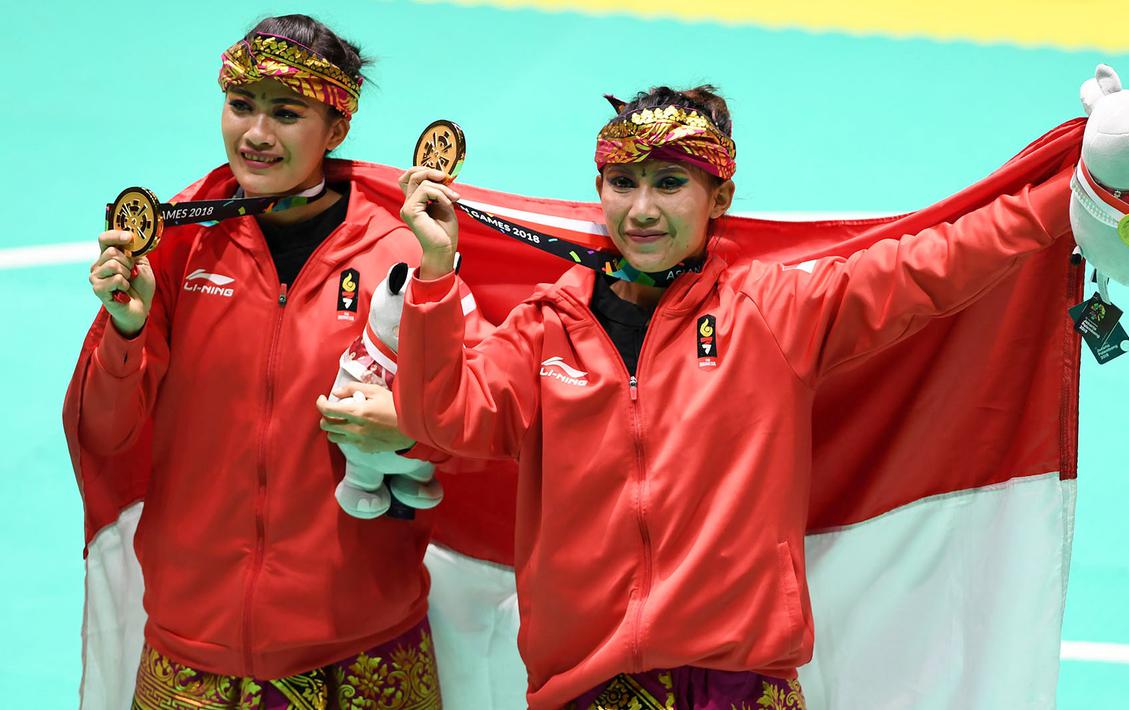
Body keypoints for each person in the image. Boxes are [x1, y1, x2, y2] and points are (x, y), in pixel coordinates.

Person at [393, 85, 1073, 709]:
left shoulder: (773, 311)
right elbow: (441, 419)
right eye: (622, 183)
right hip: (585, 685)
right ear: (597, 188)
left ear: (719, 198)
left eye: (668, 184)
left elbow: (940, 263)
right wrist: (432, 276)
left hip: (739, 684)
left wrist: (1081, 191)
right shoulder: (545, 329)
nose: (642, 210)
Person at [68, 14, 457, 708]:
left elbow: (480, 427)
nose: (255, 133)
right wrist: (124, 333)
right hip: (193, 652)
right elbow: (105, 437)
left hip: (360, 649)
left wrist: (410, 425)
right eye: (241, 105)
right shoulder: (177, 243)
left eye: (286, 113)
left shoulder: (401, 251)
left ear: (335, 129)